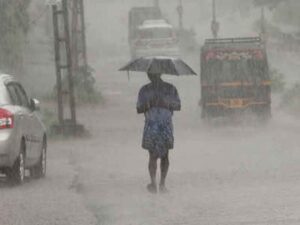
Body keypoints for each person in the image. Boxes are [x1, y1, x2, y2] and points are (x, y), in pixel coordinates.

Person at [137, 73, 181, 193]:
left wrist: (163, 102)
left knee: (161, 156)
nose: (151, 75)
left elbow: (178, 105)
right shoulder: (145, 90)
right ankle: (156, 183)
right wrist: (149, 104)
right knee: (156, 155)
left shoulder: (170, 89)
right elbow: (139, 109)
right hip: (154, 125)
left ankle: (159, 183)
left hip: (162, 125)